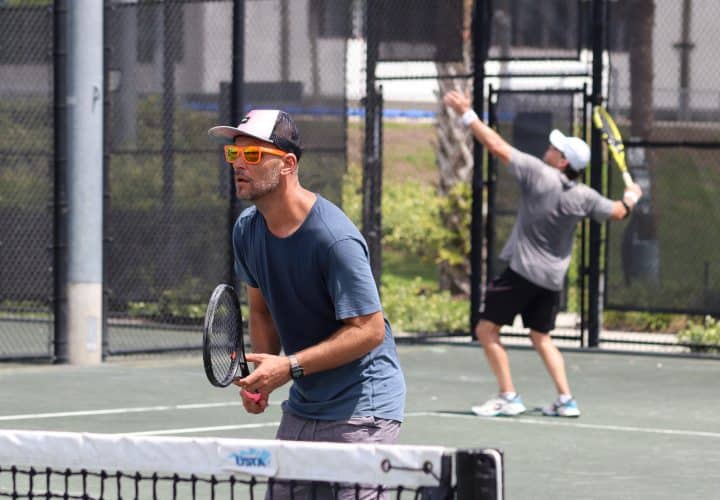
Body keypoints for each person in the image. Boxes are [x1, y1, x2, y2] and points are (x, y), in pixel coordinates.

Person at [208, 109, 406, 498]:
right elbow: (262, 311)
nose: (238, 164)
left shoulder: (333, 239)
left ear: (287, 164)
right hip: (304, 405)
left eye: (252, 155)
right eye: (234, 154)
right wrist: (262, 378)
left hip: (362, 409)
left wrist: (289, 367)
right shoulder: (247, 230)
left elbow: (369, 330)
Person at [443, 91, 642, 418]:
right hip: (551, 280)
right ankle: (566, 400)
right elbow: (619, 212)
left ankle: (508, 396)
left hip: (522, 273)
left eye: (554, 148)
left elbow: (496, 146)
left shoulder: (539, 174)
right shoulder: (586, 196)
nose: (548, 149)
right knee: (541, 336)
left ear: (563, 162)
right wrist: (631, 197)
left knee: (486, 330)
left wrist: (467, 114)